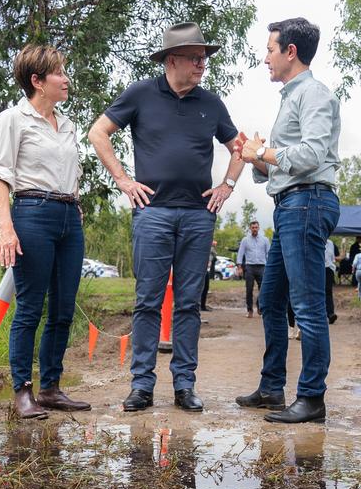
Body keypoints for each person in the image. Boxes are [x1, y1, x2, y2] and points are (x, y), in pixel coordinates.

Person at [88, 22, 243, 412]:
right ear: (172, 60)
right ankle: (141, 386)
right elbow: (98, 133)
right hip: (152, 213)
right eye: (195, 58)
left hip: (197, 215)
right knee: (147, 303)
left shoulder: (211, 102)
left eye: (204, 58)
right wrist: (123, 180)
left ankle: (184, 386)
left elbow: (239, 148)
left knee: (189, 304)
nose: (202, 65)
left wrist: (226, 185)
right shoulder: (141, 93)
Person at [234, 17, 341, 424]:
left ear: (290, 52)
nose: (265, 58)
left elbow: (312, 155)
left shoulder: (313, 94)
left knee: (308, 307)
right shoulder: (291, 98)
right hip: (291, 205)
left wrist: (265, 153)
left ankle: (312, 398)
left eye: (269, 49)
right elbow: (275, 171)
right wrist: (257, 156)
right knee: (271, 299)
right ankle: (272, 387)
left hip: (308, 203)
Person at [0, 44, 91, 419]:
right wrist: (6, 229)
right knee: (30, 309)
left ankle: (51, 387)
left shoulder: (67, 124)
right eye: (59, 73)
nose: (65, 79)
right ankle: (22, 391)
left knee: (63, 310)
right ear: (37, 81)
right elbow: (1, 177)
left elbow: (70, 174)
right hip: (32, 213)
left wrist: (75, 206)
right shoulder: (12, 119)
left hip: (68, 216)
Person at [236, 220, 270, 317]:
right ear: (250, 228)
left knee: (263, 289)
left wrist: (270, 267)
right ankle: (250, 310)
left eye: (256, 227)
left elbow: (269, 254)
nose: (254, 229)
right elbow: (240, 253)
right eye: (253, 227)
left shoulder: (265, 240)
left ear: (258, 228)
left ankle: (260, 307)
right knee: (249, 289)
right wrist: (239, 267)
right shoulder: (245, 240)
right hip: (249, 267)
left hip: (262, 267)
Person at [324, 238, 340, 324]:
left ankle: (330, 314)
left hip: (328, 269)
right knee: (316, 292)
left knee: (328, 291)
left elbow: (334, 258)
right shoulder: (313, 238)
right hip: (316, 268)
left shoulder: (330, 243)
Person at [201, 240, 218, 311]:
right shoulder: (208, 248)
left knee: (205, 288)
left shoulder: (210, 250)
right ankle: (199, 306)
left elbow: (214, 255)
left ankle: (202, 306)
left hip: (206, 269)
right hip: (201, 269)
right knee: (201, 288)